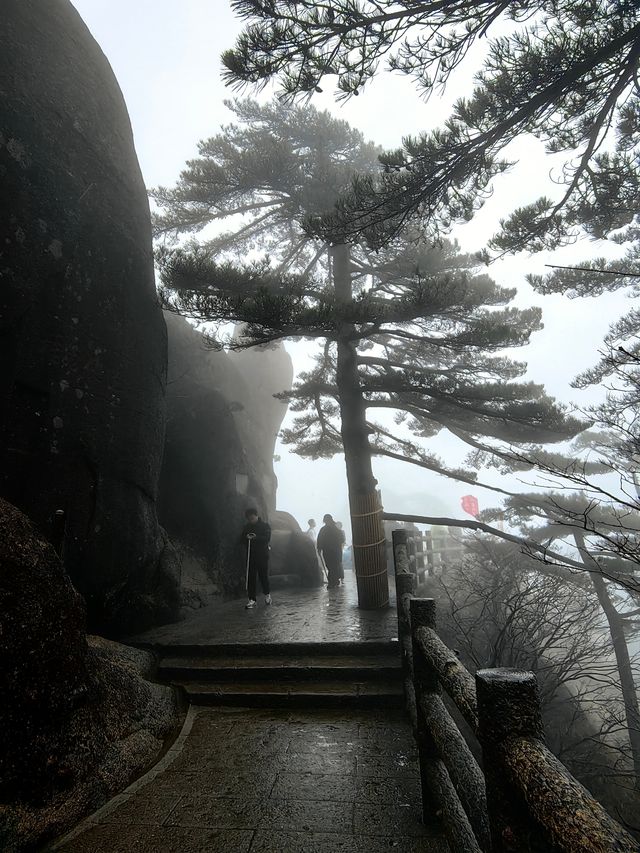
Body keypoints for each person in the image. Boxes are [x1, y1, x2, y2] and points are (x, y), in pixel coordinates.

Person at [240, 507, 272, 609]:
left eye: (253, 518)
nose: (251, 521)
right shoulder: (247, 527)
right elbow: (242, 539)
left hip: (262, 555)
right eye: (249, 519)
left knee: (263, 576)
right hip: (251, 556)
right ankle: (252, 599)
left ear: (257, 515)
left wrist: (255, 537)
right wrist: (246, 538)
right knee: (251, 578)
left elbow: (267, 538)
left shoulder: (265, 526)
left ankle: (267, 595)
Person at [317, 513, 344, 589]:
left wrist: (319, 549)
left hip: (328, 552)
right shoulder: (337, 530)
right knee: (335, 566)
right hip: (336, 552)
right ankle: (334, 581)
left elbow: (320, 540)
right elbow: (342, 539)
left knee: (330, 567)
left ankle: (332, 582)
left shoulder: (323, 530)